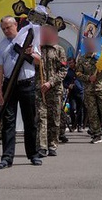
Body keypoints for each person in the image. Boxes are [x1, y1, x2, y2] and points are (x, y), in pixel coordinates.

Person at [0, 16, 42, 169]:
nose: (6, 31)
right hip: (10, 85)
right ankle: (7, 158)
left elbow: (39, 61)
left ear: (16, 25)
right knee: (8, 122)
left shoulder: (28, 39)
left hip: (27, 83)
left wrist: (31, 53)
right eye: (3, 29)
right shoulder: (0, 46)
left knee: (30, 121)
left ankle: (33, 154)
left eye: (8, 27)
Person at [36, 24, 67, 156]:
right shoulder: (37, 49)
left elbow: (63, 70)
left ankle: (52, 144)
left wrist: (50, 83)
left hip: (55, 89)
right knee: (41, 117)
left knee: (54, 117)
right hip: (40, 89)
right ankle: (42, 146)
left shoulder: (59, 50)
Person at [77, 37, 102, 144]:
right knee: (92, 112)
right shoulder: (82, 59)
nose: (90, 46)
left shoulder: (100, 57)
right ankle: (96, 134)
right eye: (88, 44)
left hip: (101, 88)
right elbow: (78, 73)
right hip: (89, 89)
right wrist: (88, 78)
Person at [63, 58, 84, 133]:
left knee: (80, 109)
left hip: (80, 92)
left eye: (71, 63)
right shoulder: (67, 72)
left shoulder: (79, 70)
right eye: (69, 63)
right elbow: (64, 82)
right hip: (72, 93)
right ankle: (73, 124)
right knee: (72, 109)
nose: (70, 64)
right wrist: (68, 86)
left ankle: (80, 125)